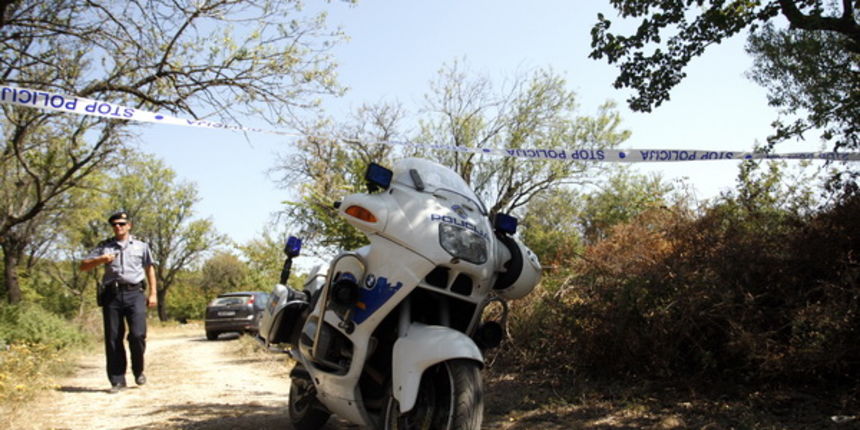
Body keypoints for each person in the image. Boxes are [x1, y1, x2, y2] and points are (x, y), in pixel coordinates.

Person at [80, 211, 158, 393]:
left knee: (138, 334)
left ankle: (138, 370)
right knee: (114, 337)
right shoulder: (104, 246)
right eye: (115, 224)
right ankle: (117, 380)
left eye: (122, 224)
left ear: (129, 225)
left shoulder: (141, 246)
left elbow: (150, 269)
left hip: (135, 293)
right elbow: (83, 265)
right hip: (112, 295)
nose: (118, 227)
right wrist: (100, 259)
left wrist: (153, 293)